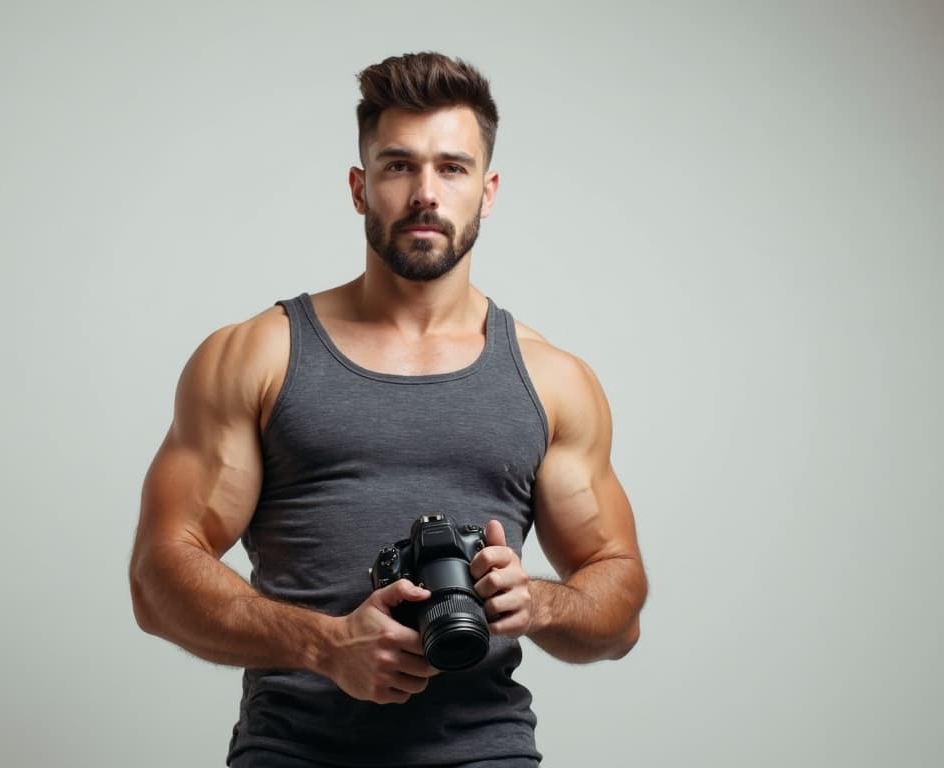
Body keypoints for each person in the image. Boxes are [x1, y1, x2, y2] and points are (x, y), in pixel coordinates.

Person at [129, 51, 648, 767]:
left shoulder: (552, 379)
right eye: (399, 165)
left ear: (488, 190)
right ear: (359, 186)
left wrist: (543, 603)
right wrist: (324, 644)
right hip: (293, 752)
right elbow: (158, 578)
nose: (425, 193)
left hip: (482, 751)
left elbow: (619, 609)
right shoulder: (257, 356)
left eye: (452, 168)